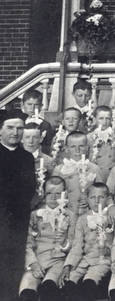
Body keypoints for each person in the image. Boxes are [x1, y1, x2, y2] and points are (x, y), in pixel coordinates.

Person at [18, 177, 76, 301]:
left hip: (58, 261)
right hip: (38, 260)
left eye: (58, 194)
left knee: (49, 289)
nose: (53, 198)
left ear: (64, 194)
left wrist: (64, 243)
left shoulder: (70, 216)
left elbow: (73, 243)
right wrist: (33, 263)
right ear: (43, 194)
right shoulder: (34, 215)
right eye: (49, 193)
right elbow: (27, 243)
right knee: (26, 292)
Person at [0, 109, 37, 300]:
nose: (15, 133)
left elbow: (30, 189)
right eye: (10, 128)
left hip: (18, 221)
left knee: (14, 263)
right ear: (0, 129)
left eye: (20, 128)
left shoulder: (26, 158)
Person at [60, 183, 114, 301]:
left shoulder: (112, 218)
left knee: (89, 283)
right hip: (84, 260)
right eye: (93, 197)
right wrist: (68, 266)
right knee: (68, 283)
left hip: (102, 260)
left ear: (107, 199)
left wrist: (108, 250)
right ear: (87, 199)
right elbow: (77, 246)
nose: (96, 201)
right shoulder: (82, 219)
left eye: (101, 197)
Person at [53, 131, 107, 216]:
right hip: (65, 214)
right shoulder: (59, 170)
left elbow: (103, 194)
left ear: (86, 147)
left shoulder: (94, 169)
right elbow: (53, 194)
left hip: (86, 214)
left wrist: (90, 200)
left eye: (81, 146)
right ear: (66, 149)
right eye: (73, 147)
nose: (77, 150)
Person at [86, 106, 115, 178]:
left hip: (111, 174)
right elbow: (86, 158)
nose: (104, 122)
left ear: (111, 119)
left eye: (107, 118)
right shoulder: (89, 137)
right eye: (101, 118)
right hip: (95, 174)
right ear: (95, 120)